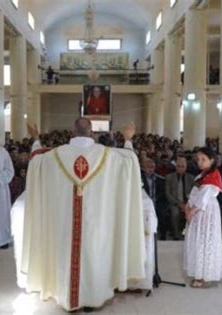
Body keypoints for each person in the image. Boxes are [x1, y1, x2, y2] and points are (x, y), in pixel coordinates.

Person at [21, 118, 145, 312]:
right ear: (91, 132)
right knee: (95, 254)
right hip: (97, 225)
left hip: (64, 226)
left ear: (73, 131)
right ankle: (92, 297)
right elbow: (129, 160)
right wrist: (128, 139)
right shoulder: (108, 156)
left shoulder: (54, 156)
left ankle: (69, 298)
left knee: (67, 253)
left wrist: (36, 138)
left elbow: (36, 159)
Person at [183, 147, 222, 288]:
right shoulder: (202, 175)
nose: (200, 162)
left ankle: (204, 276)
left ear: (212, 160)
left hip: (207, 212)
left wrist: (191, 211)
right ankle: (198, 272)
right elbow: (194, 193)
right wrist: (188, 207)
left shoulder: (213, 176)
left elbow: (203, 199)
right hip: (198, 211)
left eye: (203, 159)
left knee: (205, 241)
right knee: (198, 240)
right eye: (198, 159)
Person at [165, 156, 194, 240]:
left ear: (186, 167)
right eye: (178, 166)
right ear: (175, 166)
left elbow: (194, 193)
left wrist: (187, 204)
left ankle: (190, 234)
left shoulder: (191, 178)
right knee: (175, 213)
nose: (180, 168)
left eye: (182, 166)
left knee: (193, 212)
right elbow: (168, 194)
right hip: (174, 202)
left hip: (188, 202)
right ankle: (176, 234)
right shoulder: (169, 177)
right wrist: (178, 204)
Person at [141, 158, 169, 240]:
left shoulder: (159, 178)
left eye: (152, 167)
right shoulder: (140, 178)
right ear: (144, 168)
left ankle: (163, 235)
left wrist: (155, 199)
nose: (150, 169)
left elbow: (162, 192)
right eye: (148, 167)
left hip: (157, 201)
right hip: (144, 202)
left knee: (162, 213)